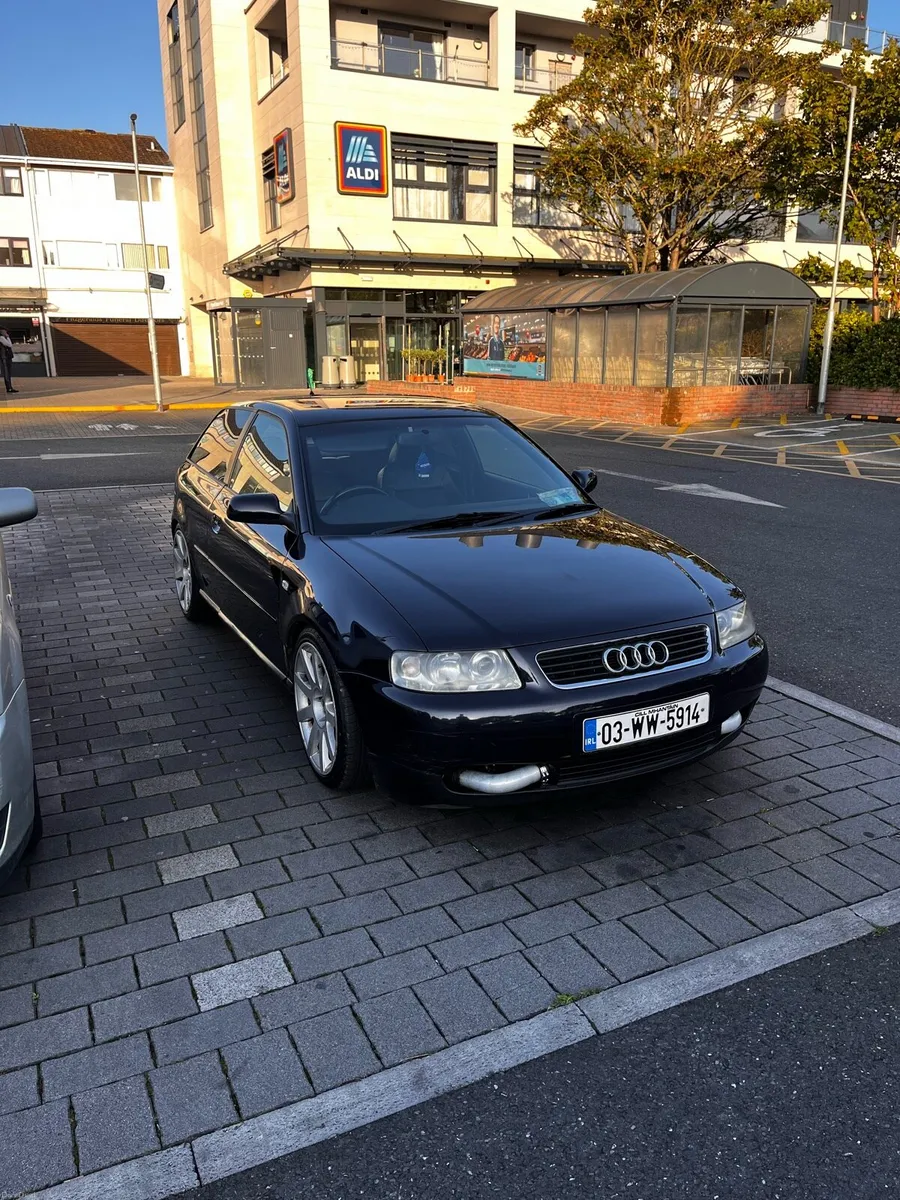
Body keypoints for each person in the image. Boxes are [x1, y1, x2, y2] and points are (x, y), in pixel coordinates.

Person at [0, 328, 17, 394]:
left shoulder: (4, 337)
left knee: (8, 373)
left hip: (7, 357)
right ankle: (9, 388)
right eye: (4, 331)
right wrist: (8, 337)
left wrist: (7, 337)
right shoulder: (1, 338)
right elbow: (9, 345)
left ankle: (10, 387)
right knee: (6, 373)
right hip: (4, 357)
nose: (6, 332)